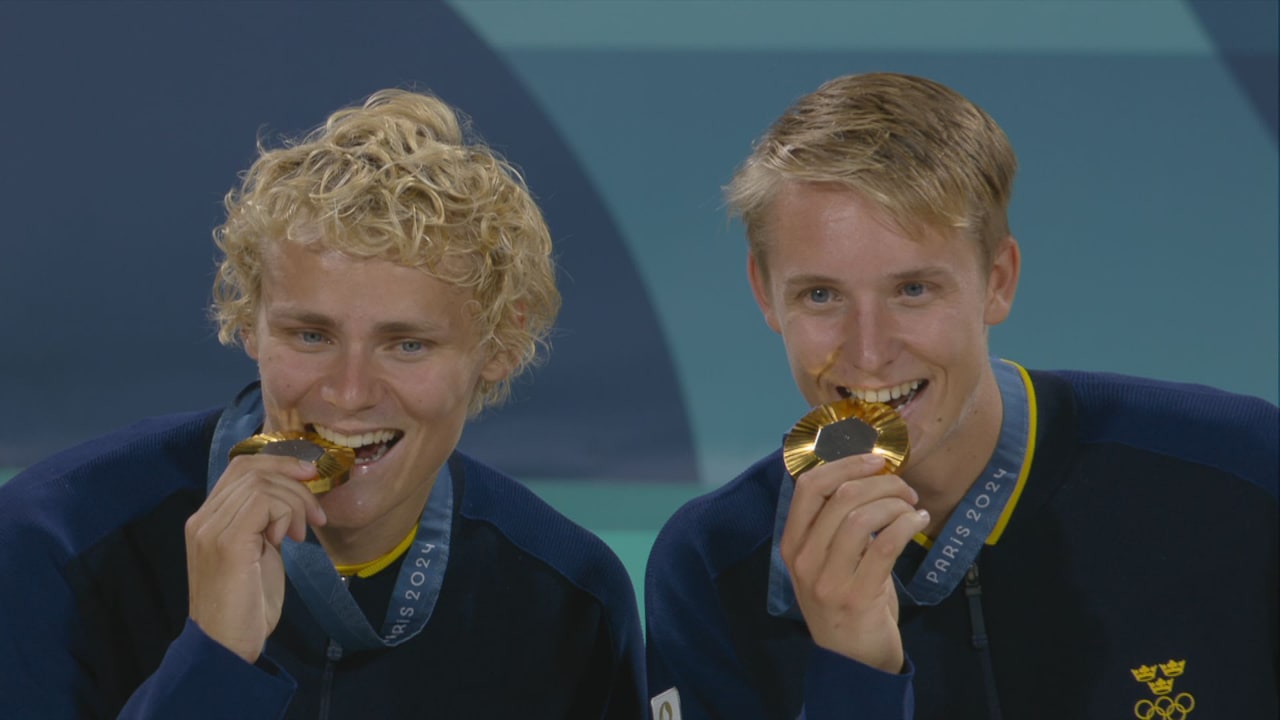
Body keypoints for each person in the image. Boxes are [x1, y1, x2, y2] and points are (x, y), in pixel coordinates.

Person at [644, 72, 1278, 719]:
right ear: (764, 292)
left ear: (997, 281)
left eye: (913, 290)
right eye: (821, 295)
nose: (868, 351)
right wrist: (853, 667)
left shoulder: (1239, 471)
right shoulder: (713, 563)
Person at [0, 89, 644, 719]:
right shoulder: (58, 542)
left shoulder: (568, 598)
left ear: (500, 346)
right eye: (312, 336)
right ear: (248, 321)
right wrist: (216, 657)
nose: (349, 392)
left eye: (408, 345)